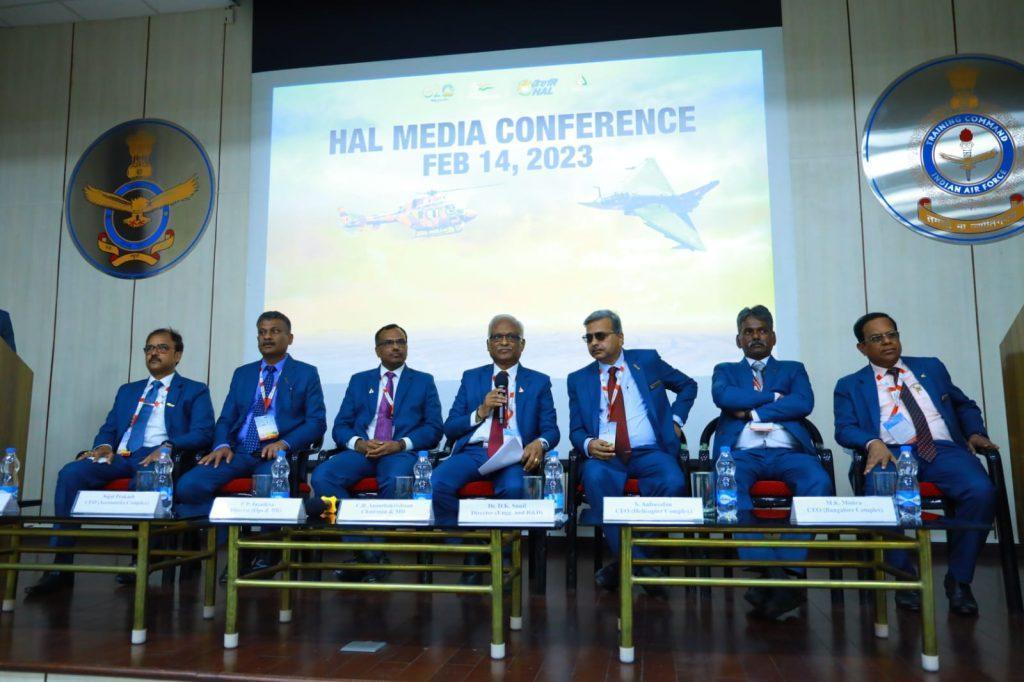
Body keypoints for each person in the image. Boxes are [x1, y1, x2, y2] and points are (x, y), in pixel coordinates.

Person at [26, 328, 214, 596]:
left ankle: (142, 556)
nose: (154, 353)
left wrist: (168, 446)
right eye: (149, 348)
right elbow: (110, 428)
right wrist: (102, 446)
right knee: (71, 473)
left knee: (146, 479)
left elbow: (203, 432)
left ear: (177, 355)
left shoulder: (194, 390)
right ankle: (61, 565)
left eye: (162, 348)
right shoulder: (128, 391)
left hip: (157, 456)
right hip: (120, 456)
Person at [834, 312, 998, 616]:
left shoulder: (930, 367)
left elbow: (964, 405)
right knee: (881, 491)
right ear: (862, 348)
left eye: (891, 334)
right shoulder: (850, 384)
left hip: (943, 449)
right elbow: (844, 428)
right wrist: (872, 442)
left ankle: (959, 579)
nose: (887, 342)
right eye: (877, 338)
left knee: (981, 491)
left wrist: (975, 433)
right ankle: (905, 578)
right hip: (891, 452)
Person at [711, 305, 832, 619]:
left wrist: (753, 411)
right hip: (741, 452)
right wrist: (777, 398)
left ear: (773, 336)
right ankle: (772, 570)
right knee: (727, 482)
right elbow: (725, 398)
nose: (756, 337)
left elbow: (803, 402)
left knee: (818, 481)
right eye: (748, 332)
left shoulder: (793, 369)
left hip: (788, 451)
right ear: (738, 339)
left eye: (762, 330)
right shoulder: (724, 370)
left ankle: (783, 568)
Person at [567, 309, 696, 593]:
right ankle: (642, 566)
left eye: (601, 336)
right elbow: (576, 430)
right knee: (594, 477)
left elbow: (688, 385)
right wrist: (588, 444)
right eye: (589, 338)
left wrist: (676, 420)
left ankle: (625, 564)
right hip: (607, 455)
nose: (594, 343)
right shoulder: (578, 379)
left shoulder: (647, 361)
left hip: (649, 451)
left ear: (620, 337)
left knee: (673, 481)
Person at [310, 323, 443, 580]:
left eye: (401, 342)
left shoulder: (423, 381)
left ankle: (375, 550)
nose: (396, 347)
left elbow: (434, 428)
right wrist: (359, 443)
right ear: (377, 350)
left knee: (396, 480)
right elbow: (341, 426)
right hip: (363, 451)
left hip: (399, 452)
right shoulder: (359, 381)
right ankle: (365, 551)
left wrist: (400, 444)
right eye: (388, 343)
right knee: (322, 477)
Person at [176, 311, 326, 519]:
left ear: (290, 338)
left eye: (275, 331)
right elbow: (226, 419)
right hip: (238, 452)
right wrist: (221, 445)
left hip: (276, 456)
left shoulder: (305, 373)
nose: (267, 336)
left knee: (269, 489)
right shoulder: (243, 373)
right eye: (262, 332)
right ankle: (227, 525)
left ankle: (262, 540)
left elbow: (316, 423)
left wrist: (284, 443)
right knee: (188, 485)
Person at [432, 314, 559, 530]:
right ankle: (465, 542)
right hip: (474, 453)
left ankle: (503, 549)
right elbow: (451, 427)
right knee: (436, 483)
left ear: (522, 344)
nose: (504, 342)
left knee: (514, 488)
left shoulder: (539, 382)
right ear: (488, 345)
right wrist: (481, 411)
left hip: (514, 456)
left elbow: (551, 430)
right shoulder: (471, 378)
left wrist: (540, 443)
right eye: (497, 337)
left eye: (511, 337)